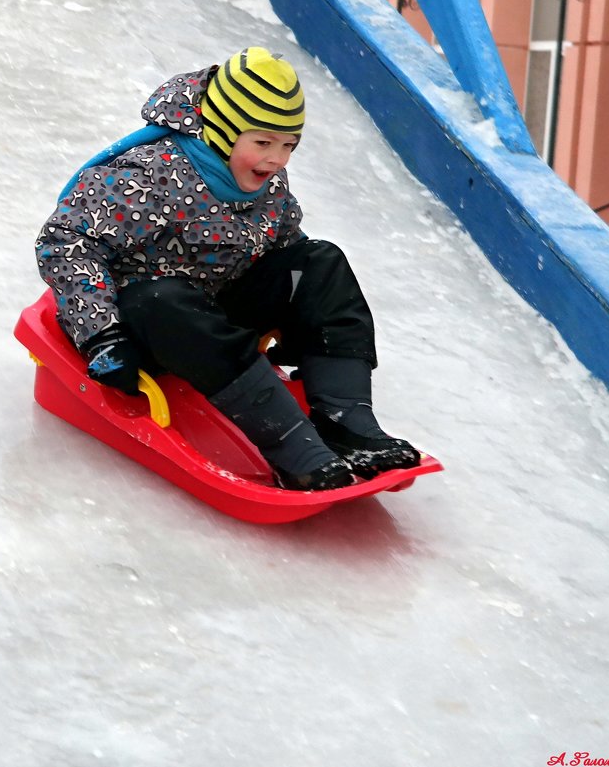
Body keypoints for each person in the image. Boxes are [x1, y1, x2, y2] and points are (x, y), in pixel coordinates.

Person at [35, 47, 420, 491]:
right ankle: (291, 442)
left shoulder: (265, 179)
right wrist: (101, 333)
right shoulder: (149, 175)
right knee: (162, 299)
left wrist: (299, 310)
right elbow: (66, 241)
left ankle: (345, 420)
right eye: (263, 142)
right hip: (144, 321)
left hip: (217, 311)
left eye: (288, 145)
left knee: (319, 262)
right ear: (221, 131)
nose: (277, 159)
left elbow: (283, 245)